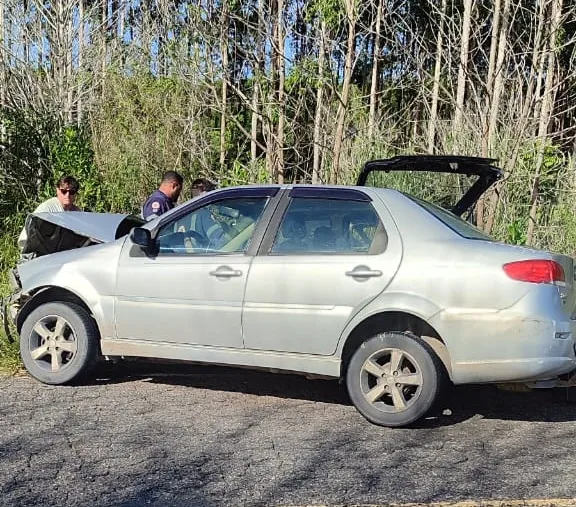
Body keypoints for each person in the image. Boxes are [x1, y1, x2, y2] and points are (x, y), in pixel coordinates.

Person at [17, 175, 82, 251]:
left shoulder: (76, 212)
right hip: (34, 251)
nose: (67, 195)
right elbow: (33, 236)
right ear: (57, 190)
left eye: (71, 192)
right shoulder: (48, 208)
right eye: (64, 191)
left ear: (75, 194)